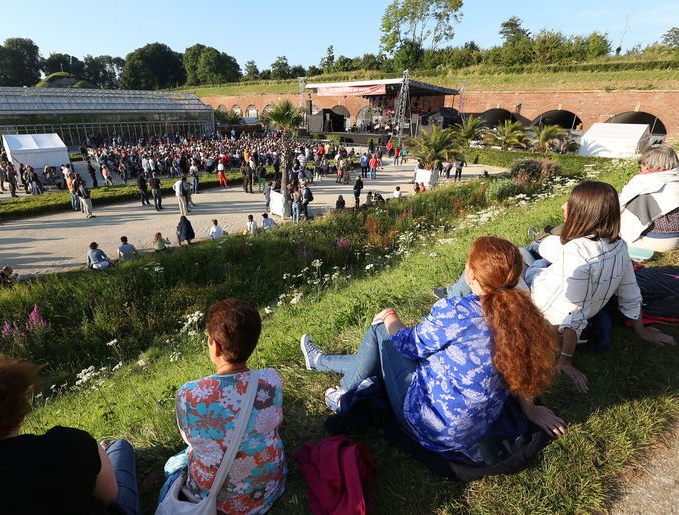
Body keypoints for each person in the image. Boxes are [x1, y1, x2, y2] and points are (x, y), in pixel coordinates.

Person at [300, 237, 567, 461]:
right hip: (474, 431)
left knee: (380, 331)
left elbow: (407, 345)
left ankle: (344, 396)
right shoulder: (524, 315)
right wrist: (530, 410)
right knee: (385, 354)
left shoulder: (456, 312)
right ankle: (320, 361)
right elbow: (526, 366)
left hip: (429, 424)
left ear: (470, 274)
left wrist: (391, 316)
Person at [441, 181, 675, 393]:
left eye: (571, 204)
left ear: (583, 213)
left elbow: (575, 314)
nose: (565, 206)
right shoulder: (619, 247)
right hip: (561, 292)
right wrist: (641, 329)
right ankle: (456, 294)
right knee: (530, 252)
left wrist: (565, 360)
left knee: (502, 257)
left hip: (539, 306)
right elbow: (630, 292)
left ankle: (450, 300)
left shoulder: (576, 252)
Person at [0, 353, 142, 515]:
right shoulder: (68, 444)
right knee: (120, 447)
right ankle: (106, 450)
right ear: (17, 407)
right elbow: (110, 496)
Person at [156, 299, 286, 514]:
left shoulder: (189, 394)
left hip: (219, 503)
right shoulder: (271, 379)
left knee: (174, 467)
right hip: (268, 488)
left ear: (215, 346)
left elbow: (189, 440)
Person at [618, 144, 679, 252]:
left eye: (643, 164)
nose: (641, 168)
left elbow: (624, 214)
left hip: (657, 241)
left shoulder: (643, 184)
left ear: (651, 165)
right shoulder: (675, 179)